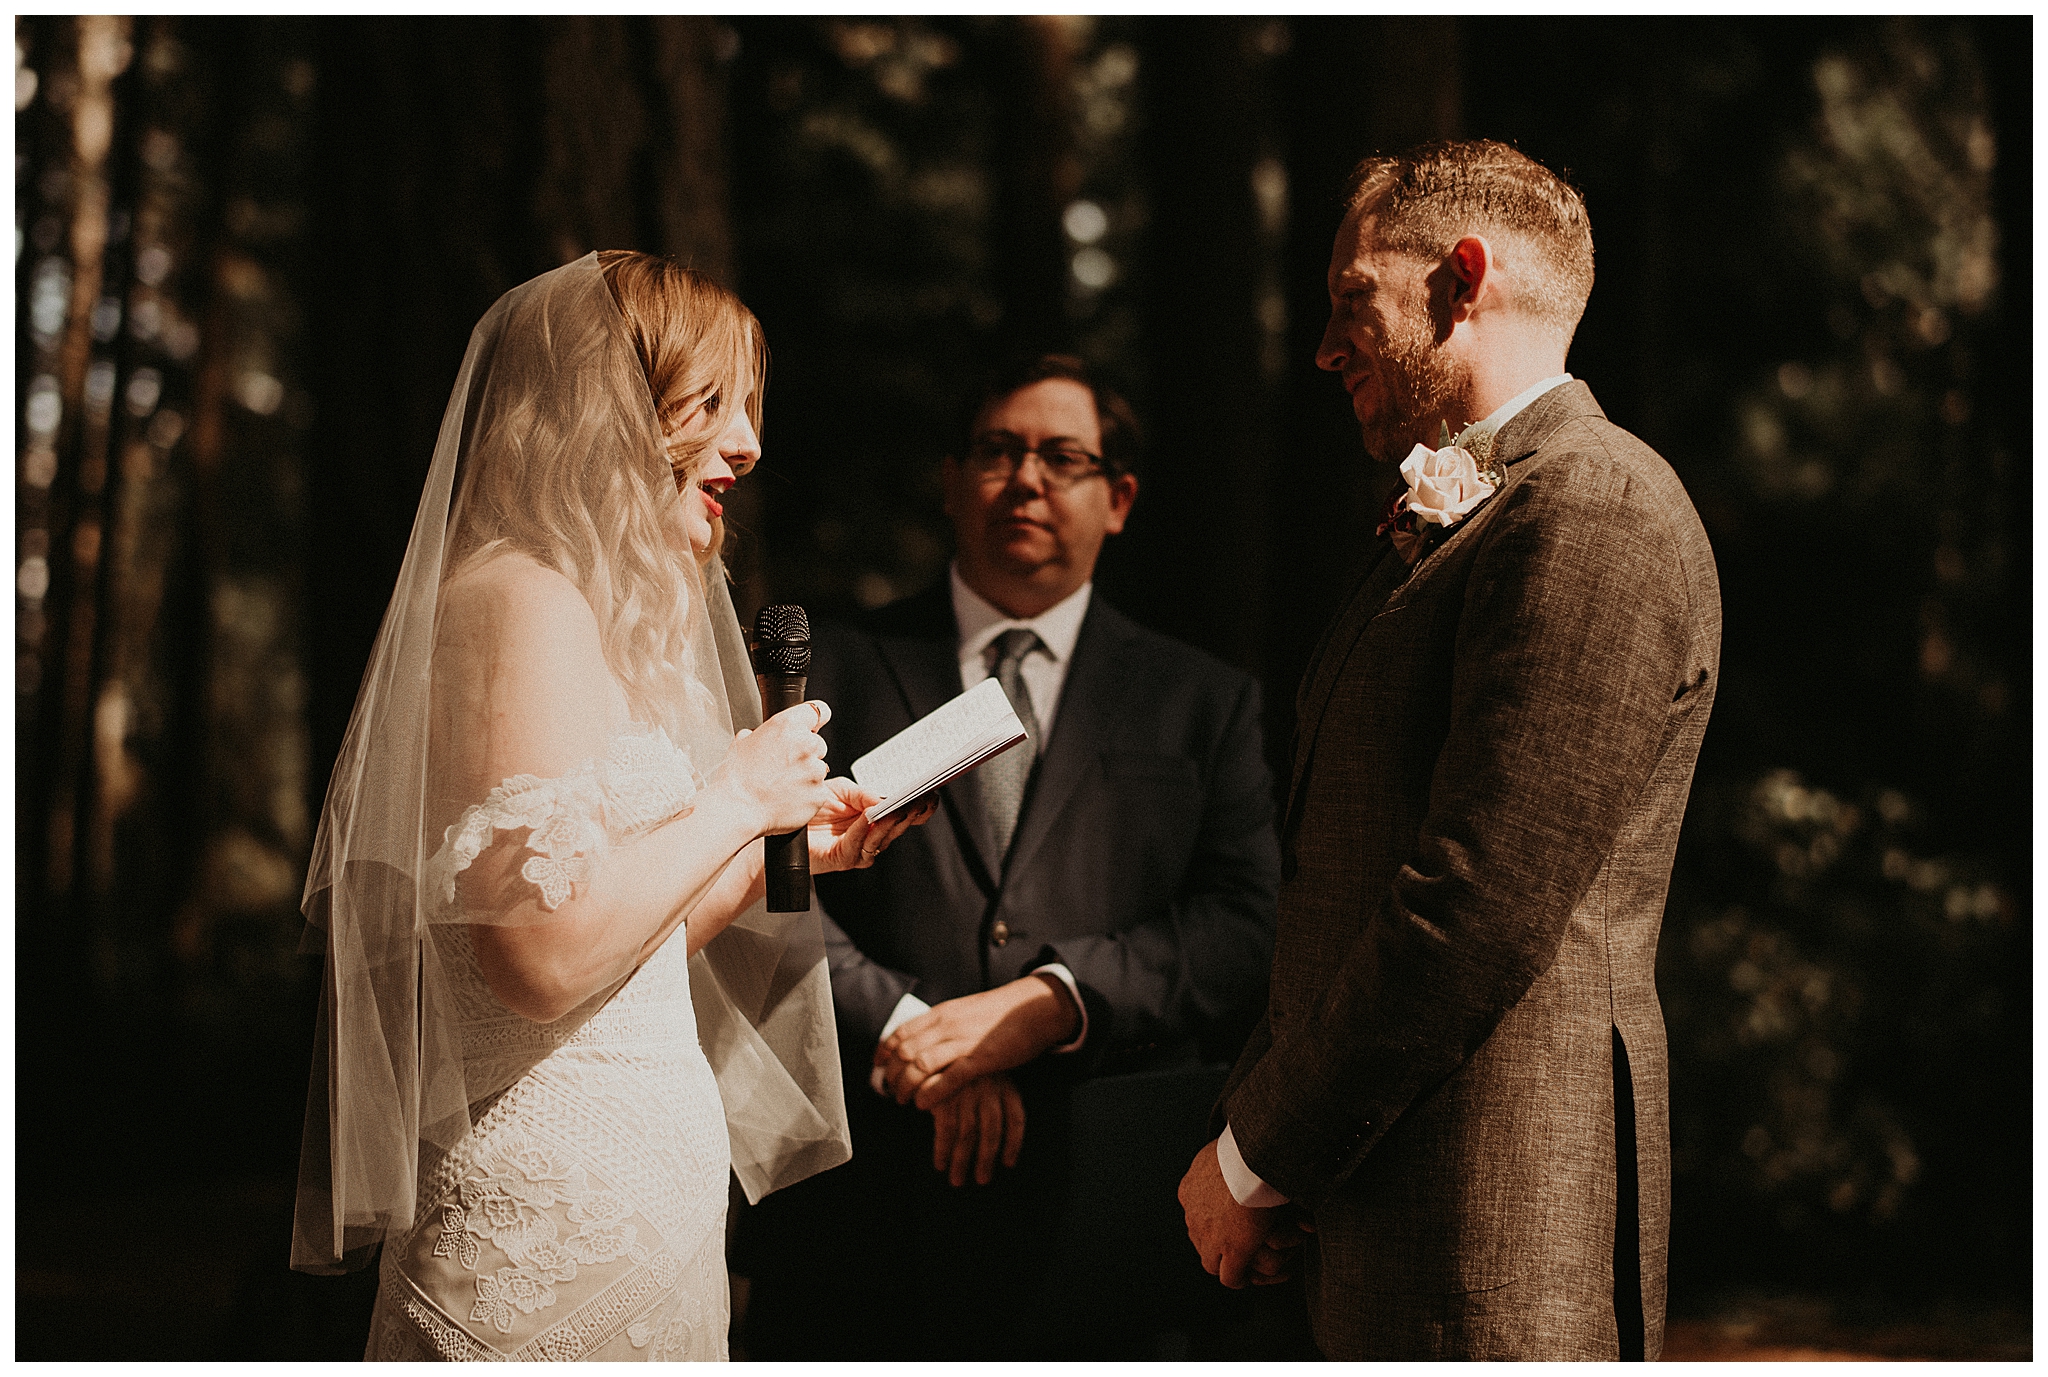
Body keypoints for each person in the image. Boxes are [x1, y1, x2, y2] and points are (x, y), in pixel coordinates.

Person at [289, 251, 925, 1361]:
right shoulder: (514, 599)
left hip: (647, 1210)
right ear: (611, 409)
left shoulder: (586, 618)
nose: (749, 444)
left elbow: (620, 951)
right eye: (715, 403)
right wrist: (731, 798)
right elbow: (535, 964)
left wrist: (775, 857)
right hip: (543, 1224)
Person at [1178, 140, 1722, 1360]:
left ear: (1460, 278)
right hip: (1379, 1203)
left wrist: (1256, 1154)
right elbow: (1344, 876)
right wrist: (1269, 1150)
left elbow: (1473, 905)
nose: (1323, 346)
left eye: (1349, 298)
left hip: (1495, 1227)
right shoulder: (1471, 516)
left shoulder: (1595, 509)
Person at [737, 355, 1282, 1359]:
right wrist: (920, 1034)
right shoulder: (828, 672)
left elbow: (1243, 924)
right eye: (997, 451)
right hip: (857, 1204)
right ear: (951, 482)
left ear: (1116, 499)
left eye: (1061, 457)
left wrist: (1045, 1008)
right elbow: (761, 888)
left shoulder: (1201, 700)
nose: (1026, 478)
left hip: (1098, 1206)